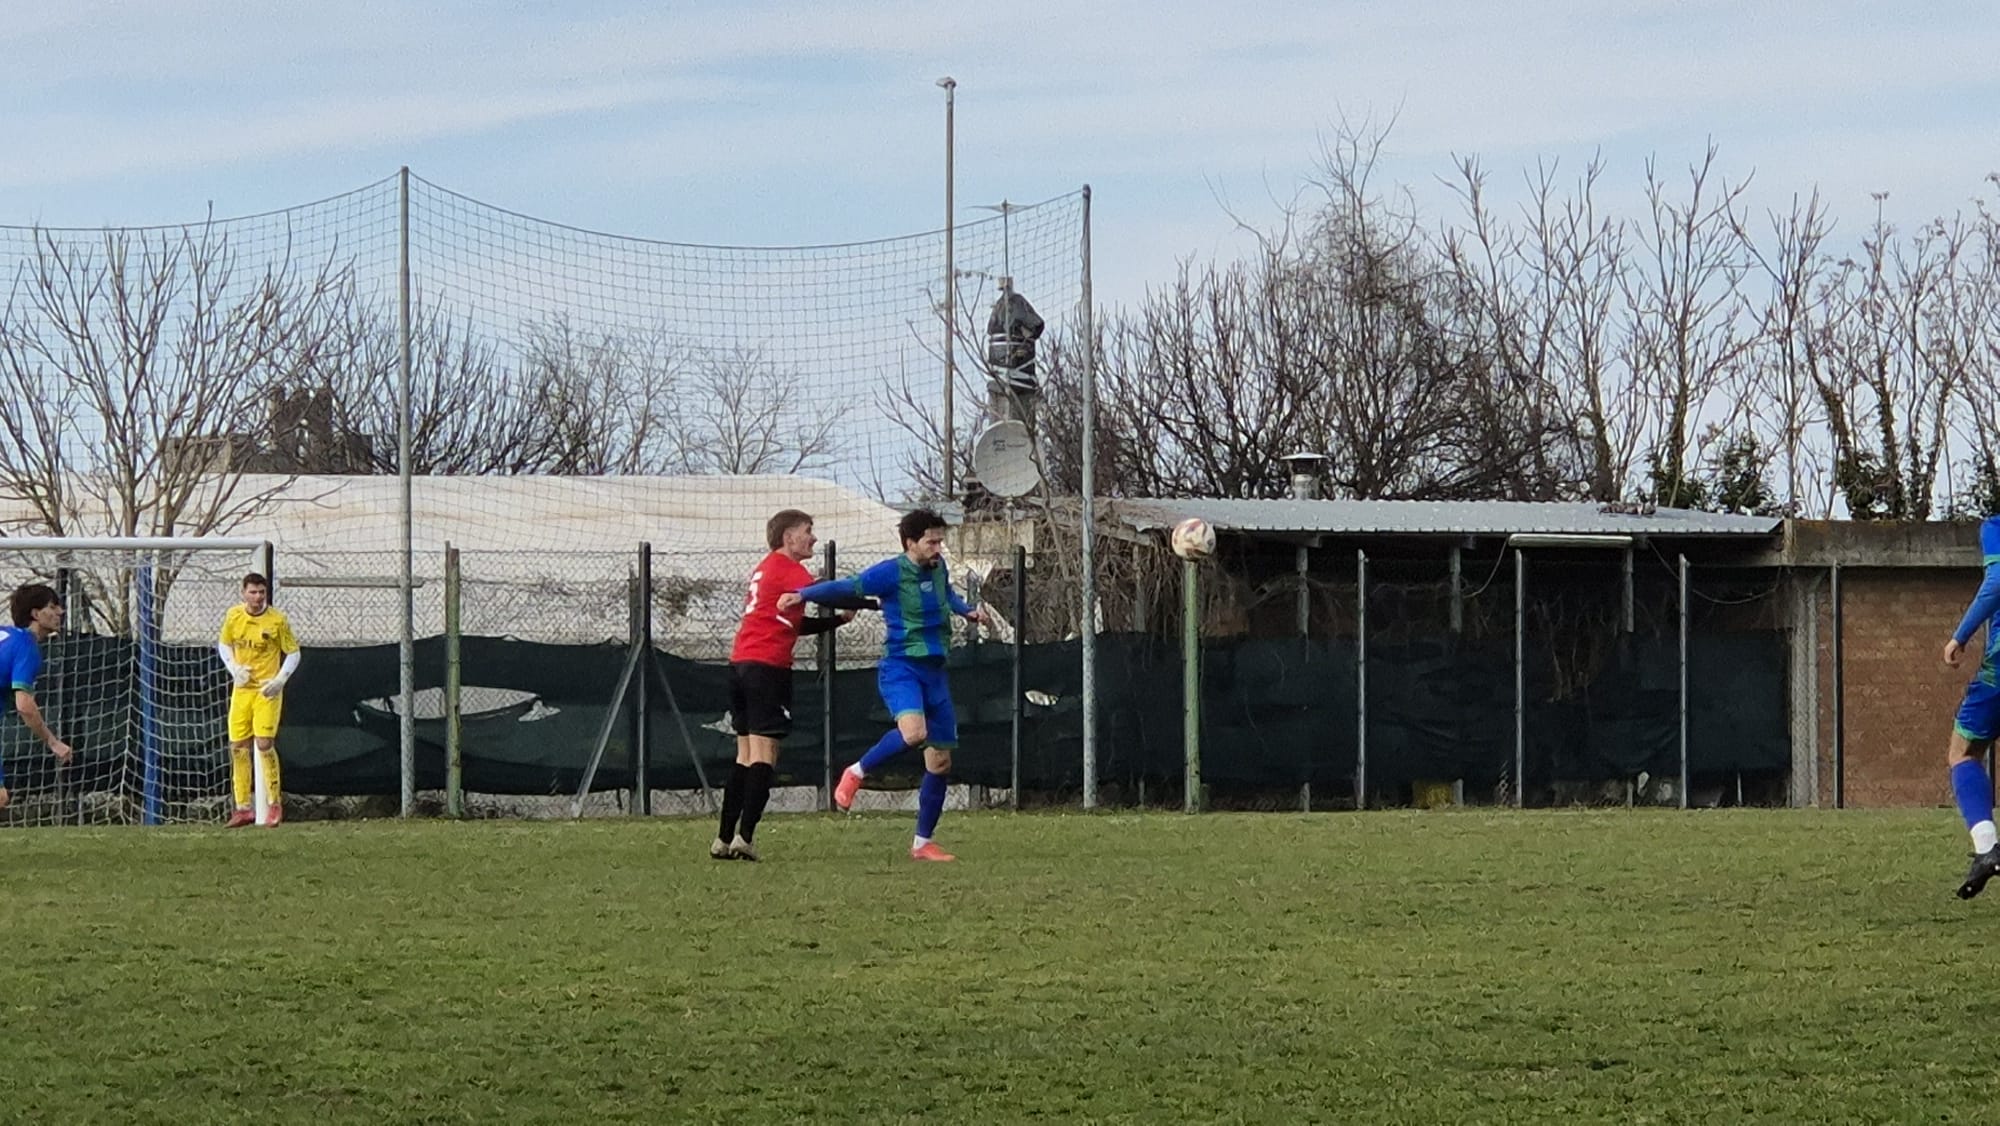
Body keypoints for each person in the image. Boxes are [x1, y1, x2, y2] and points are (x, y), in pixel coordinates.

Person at [780, 508, 984, 862]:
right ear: (910, 543)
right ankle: (855, 771)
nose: (938, 548)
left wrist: (966, 609)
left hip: (935, 672)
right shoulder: (890, 572)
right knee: (914, 733)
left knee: (939, 763)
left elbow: (946, 595)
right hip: (902, 668)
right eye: (931, 542)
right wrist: (803, 594)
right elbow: (849, 586)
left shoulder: (938, 567)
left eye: (940, 541)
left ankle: (922, 844)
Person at [712, 509, 861, 862]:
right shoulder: (789, 568)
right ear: (788, 537)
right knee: (765, 755)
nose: (813, 538)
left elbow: (792, 623)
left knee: (745, 755)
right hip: (767, 669)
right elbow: (825, 592)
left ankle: (723, 838)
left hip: (741, 664)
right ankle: (745, 838)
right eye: (807, 531)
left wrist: (838, 621)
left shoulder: (766, 569)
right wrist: (872, 598)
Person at [217, 573, 300, 828]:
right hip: (242, 690)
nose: (257, 597)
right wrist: (234, 668)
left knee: (264, 743)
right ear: (243, 593)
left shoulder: (277, 620)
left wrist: (279, 680)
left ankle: (274, 804)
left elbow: (294, 653)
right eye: (253, 592)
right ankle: (243, 807)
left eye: (261, 592)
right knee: (238, 746)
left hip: (266, 691)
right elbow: (224, 644)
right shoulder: (234, 616)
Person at [1946, 513, 2000, 898]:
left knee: (1963, 752)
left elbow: (1998, 581)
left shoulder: (1995, 527)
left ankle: (1986, 847)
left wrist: (1960, 636)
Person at [0, 584, 74, 809]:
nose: (60, 612)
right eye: (52, 606)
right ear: (35, 614)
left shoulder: (7, 636)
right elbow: (24, 705)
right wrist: (53, 742)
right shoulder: (27, 647)